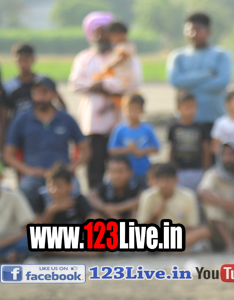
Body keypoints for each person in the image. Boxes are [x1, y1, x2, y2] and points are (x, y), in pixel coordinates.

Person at [70, 11, 142, 188]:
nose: (101, 36)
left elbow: (134, 82)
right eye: (97, 32)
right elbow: (75, 84)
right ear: (90, 34)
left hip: (118, 124)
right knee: (94, 170)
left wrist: (104, 85)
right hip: (93, 125)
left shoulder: (124, 55)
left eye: (104, 32)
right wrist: (95, 85)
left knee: (120, 170)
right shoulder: (83, 58)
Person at [4, 77, 88, 213]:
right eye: (36, 93)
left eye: (44, 92)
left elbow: (86, 150)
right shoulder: (22, 119)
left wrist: (71, 168)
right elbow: (8, 155)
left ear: (54, 94)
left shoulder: (66, 119)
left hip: (61, 174)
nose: (40, 97)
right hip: (34, 175)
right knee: (26, 190)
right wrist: (28, 170)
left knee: (75, 191)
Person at [167, 13, 233, 145]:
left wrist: (188, 87)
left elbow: (221, 82)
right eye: (188, 30)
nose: (192, 34)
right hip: (186, 122)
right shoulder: (178, 56)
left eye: (197, 30)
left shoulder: (221, 55)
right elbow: (175, 81)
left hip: (214, 119)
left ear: (208, 31)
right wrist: (207, 74)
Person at [136, 163, 212, 247]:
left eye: (167, 181)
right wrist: (155, 215)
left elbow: (192, 225)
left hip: (180, 235)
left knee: (204, 231)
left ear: (176, 180)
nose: (163, 185)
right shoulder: (147, 196)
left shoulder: (188, 196)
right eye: (159, 181)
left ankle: (170, 247)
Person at [107, 94, 159, 180]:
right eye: (129, 109)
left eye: (136, 109)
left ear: (142, 111)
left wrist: (142, 151)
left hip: (144, 170)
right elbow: (111, 150)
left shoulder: (147, 129)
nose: (132, 113)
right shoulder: (119, 130)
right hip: (125, 173)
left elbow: (156, 148)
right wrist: (127, 150)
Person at [168, 91, 211, 191]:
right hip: (179, 169)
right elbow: (171, 149)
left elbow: (206, 149)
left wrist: (206, 169)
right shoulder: (174, 127)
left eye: (193, 107)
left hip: (197, 169)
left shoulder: (201, 127)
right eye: (186, 107)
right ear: (178, 108)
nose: (190, 110)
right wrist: (171, 168)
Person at [87, 155, 144, 220]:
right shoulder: (106, 186)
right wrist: (105, 208)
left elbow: (141, 198)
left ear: (130, 172)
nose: (117, 176)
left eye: (120, 171)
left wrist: (117, 208)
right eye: (113, 171)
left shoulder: (135, 185)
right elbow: (91, 196)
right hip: (110, 221)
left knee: (136, 211)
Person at [4, 43, 52, 117]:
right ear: (15, 60)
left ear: (33, 59)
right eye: (20, 60)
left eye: (26, 60)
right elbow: (4, 112)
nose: (23, 64)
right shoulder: (9, 86)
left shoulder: (43, 82)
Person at [0, 180, 34, 262]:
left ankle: (13, 255)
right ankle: (9, 256)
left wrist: (6, 241)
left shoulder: (14, 197)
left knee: (34, 239)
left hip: (14, 241)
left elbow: (28, 227)